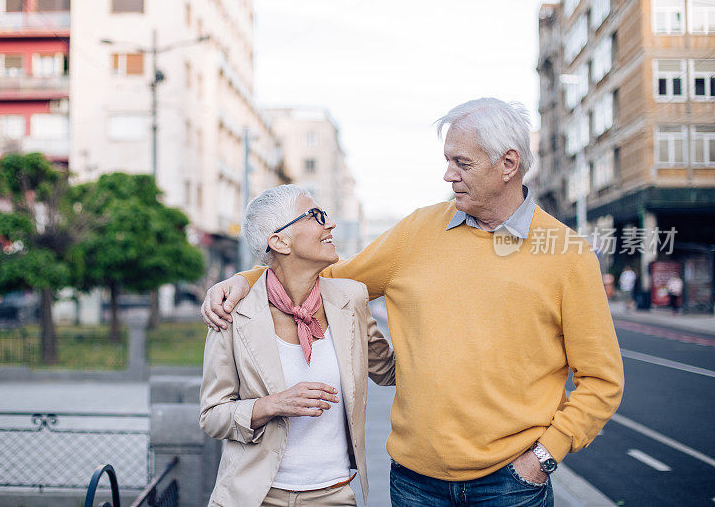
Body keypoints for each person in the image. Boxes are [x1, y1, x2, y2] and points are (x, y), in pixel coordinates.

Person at [202, 98, 625, 506]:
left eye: (462, 163)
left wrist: (544, 456)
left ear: (508, 165)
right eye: (448, 161)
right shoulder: (417, 232)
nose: (448, 175)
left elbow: (602, 381)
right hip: (415, 482)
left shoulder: (568, 256)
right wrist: (246, 279)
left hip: (511, 485)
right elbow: (324, 278)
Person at [199, 184, 396, 507]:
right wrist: (272, 405)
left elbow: (388, 371)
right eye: (315, 216)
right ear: (279, 240)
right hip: (254, 496)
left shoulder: (352, 299)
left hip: (333, 494)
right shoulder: (233, 311)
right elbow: (212, 415)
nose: (329, 223)